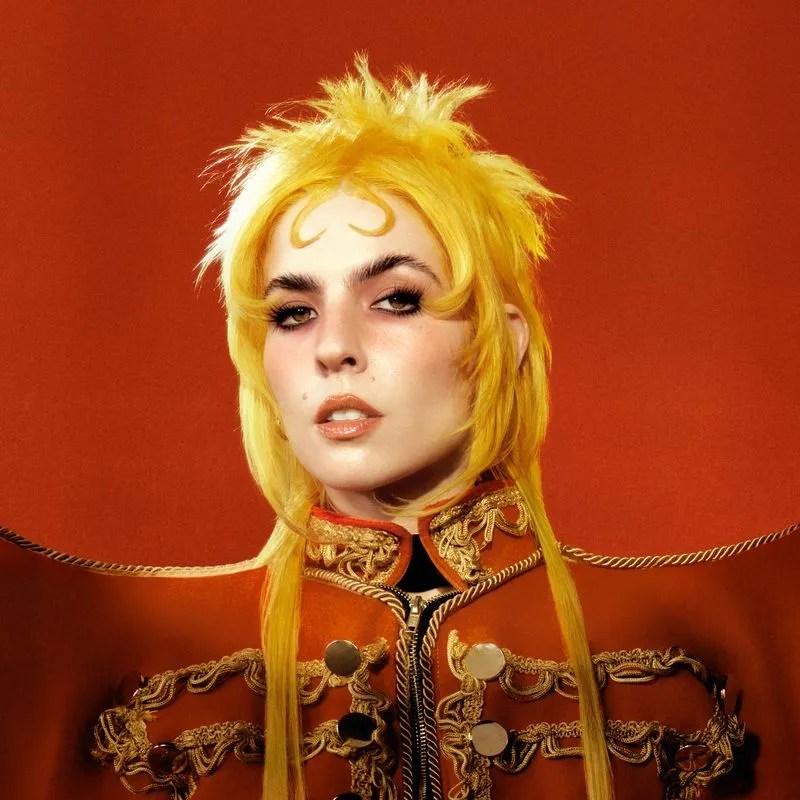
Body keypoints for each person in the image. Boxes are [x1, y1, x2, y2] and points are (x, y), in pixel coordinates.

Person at [1, 58, 798, 800]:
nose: (334, 347)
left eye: (397, 299)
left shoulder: (709, 639)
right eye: (293, 312)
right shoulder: (119, 658)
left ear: (502, 340)